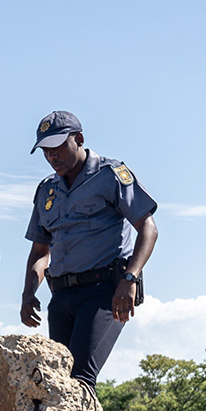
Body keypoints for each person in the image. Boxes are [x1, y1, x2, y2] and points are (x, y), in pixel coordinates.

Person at [19, 111, 157, 388]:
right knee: (57, 382)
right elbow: (39, 252)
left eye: (58, 147)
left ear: (79, 139)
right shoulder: (47, 190)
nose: (52, 156)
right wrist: (27, 293)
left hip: (103, 294)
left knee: (80, 378)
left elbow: (148, 228)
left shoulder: (111, 175)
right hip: (60, 297)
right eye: (46, 150)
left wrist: (129, 280)